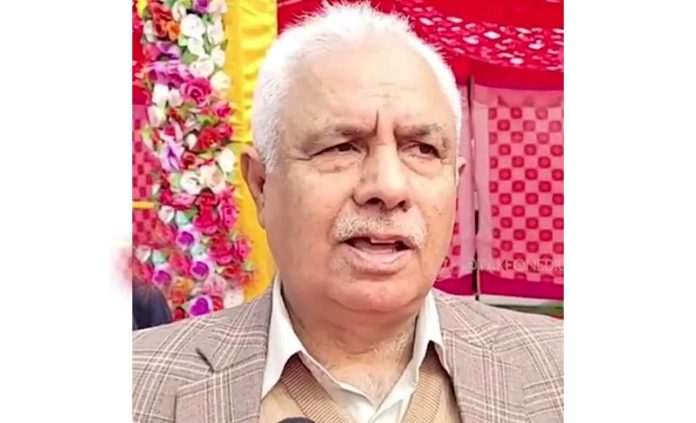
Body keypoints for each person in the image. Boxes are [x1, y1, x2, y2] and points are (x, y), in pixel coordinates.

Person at [132, 4, 563, 423]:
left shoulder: (562, 372)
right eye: (342, 147)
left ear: (456, 181)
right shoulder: (134, 387)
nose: (389, 187)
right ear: (262, 185)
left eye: (422, 149)